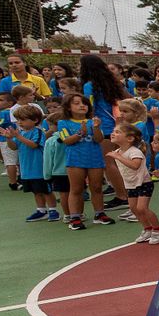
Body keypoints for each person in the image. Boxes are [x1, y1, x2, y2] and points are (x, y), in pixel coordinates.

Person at [57, 93, 115, 230]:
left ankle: (99, 214)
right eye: (76, 103)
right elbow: (66, 141)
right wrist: (80, 133)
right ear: (68, 108)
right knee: (76, 189)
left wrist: (95, 128)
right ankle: (75, 217)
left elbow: (99, 139)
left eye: (84, 103)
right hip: (76, 160)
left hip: (94, 158)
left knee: (96, 187)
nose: (82, 105)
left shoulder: (93, 121)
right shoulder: (63, 123)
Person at [80, 53, 130, 209]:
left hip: (104, 127)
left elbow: (90, 107)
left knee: (109, 163)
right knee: (117, 162)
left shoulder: (90, 86)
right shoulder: (113, 82)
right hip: (117, 124)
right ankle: (127, 193)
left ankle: (122, 196)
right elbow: (129, 98)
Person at [105, 122, 159, 243]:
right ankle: (147, 229)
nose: (113, 133)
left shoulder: (134, 152)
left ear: (130, 138)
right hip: (131, 185)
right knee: (133, 208)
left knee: (142, 208)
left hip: (144, 183)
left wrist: (118, 157)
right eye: (113, 131)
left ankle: (158, 229)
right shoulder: (118, 151)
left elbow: (135, 166)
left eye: (117, 132)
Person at [0, 104, 58, 222]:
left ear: (35, 120)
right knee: (35, 191)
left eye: (23, 120)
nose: (20, 122)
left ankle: (53, 210)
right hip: (27, 169)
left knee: (46, 191)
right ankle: (41, 210)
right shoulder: (20, 133)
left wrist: (18, 136)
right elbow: (14, 147)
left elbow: (34, 144)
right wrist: (9, 138)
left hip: (39, 168)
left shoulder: (38, 132)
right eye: (18, 120)